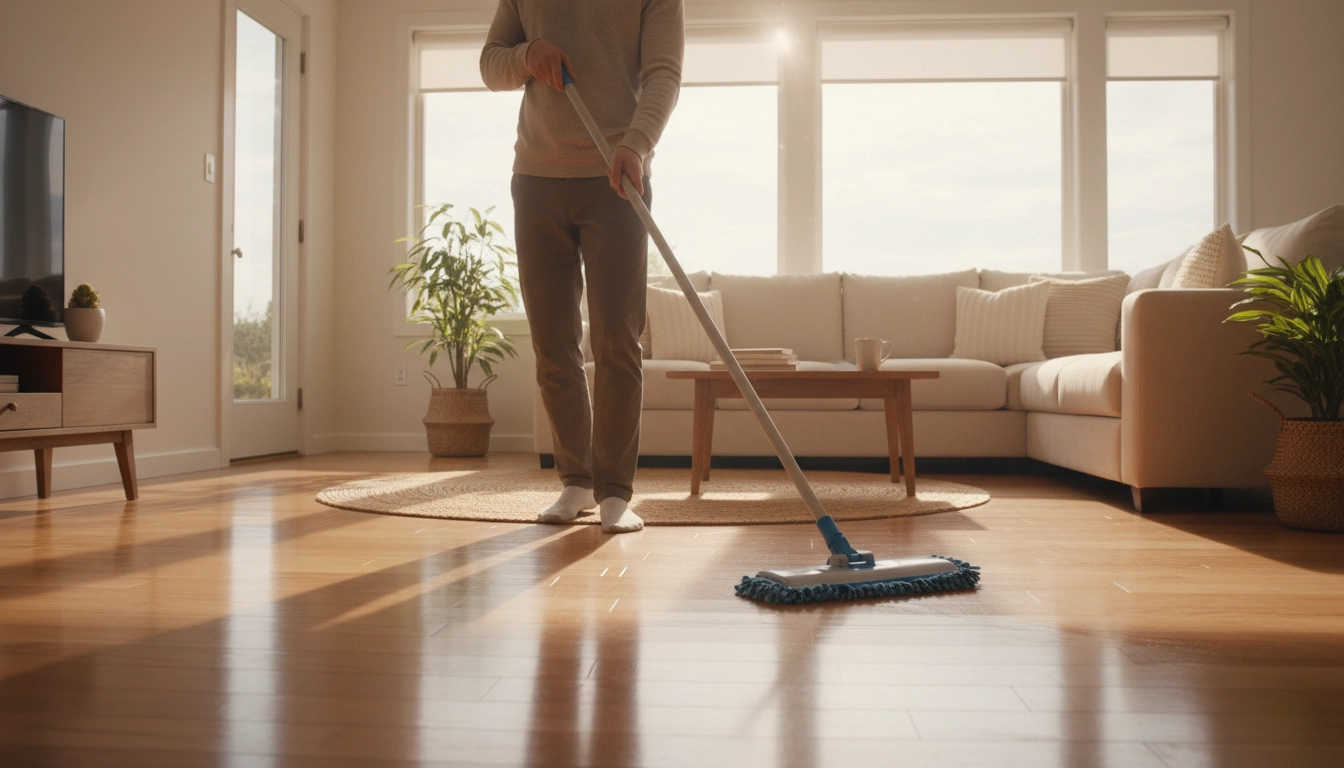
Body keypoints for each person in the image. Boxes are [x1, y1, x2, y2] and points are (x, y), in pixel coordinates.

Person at [481, 0, 684, 533]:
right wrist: (528, 54)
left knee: (617, 341)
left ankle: (614, 491)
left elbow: (664, 73)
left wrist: (637, 144)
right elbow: (491, 64)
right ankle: (576, 480)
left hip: (618, 176)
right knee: (553, 343)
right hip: (537, 178)